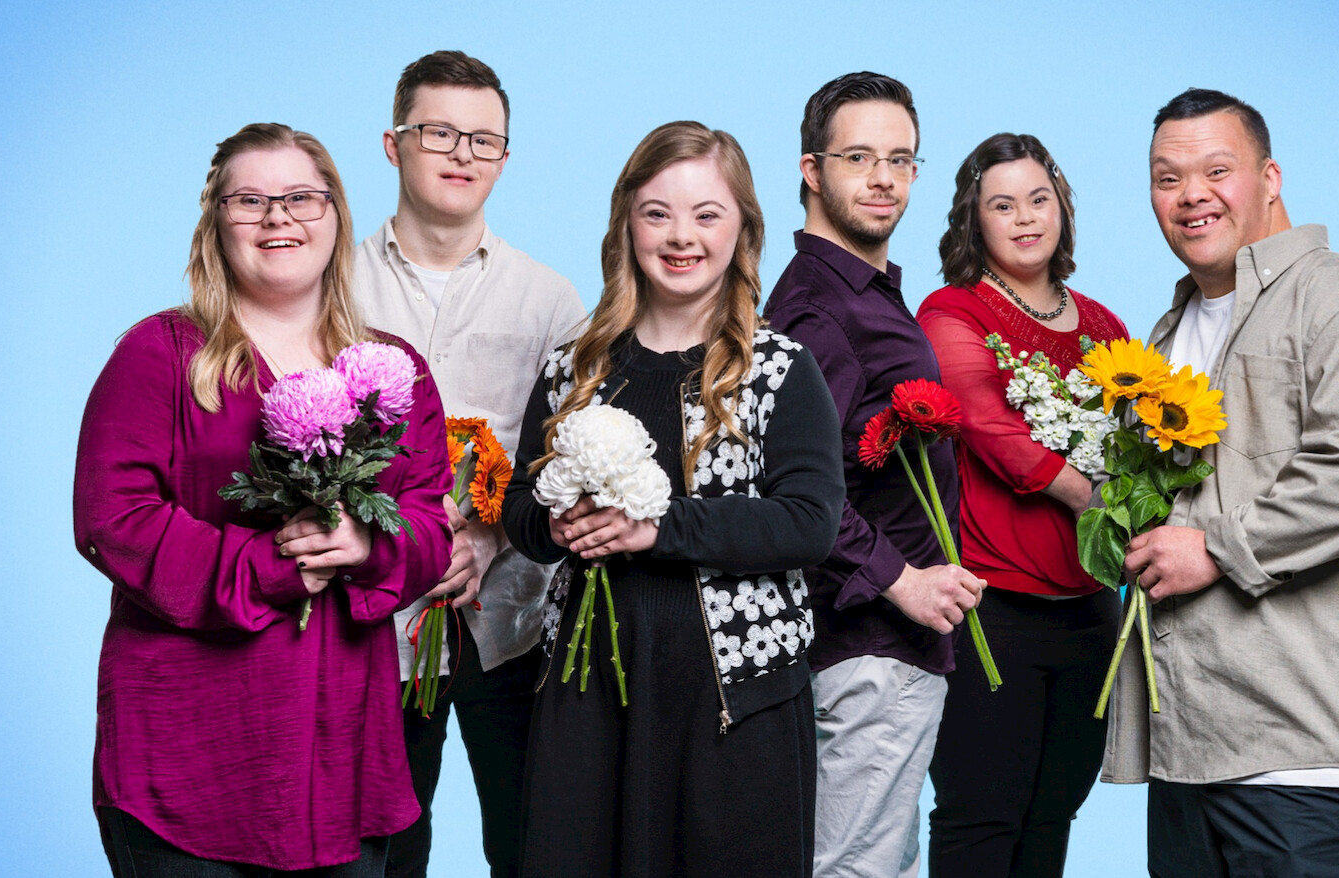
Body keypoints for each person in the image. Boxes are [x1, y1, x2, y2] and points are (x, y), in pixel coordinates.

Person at [72, 123, 453, 877]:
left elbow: (429, 522)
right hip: (189, 756)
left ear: (336, 216)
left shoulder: (392, 368)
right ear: (216, 223)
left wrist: (370, 544)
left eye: (302, 198)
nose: (278, 217)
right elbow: (113, 519)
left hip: (344, 754)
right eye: (249, 200)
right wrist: (271, 564)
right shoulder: (160, 354)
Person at [502, 121, 845, 876]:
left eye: (706, 214)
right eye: (657, 213)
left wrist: (657, 527)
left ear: (742, 228)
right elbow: (519, 504)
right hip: (588, 692)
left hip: (735, 706)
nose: (681, 236)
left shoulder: (779, 370)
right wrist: (558, 523)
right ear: (627, 224)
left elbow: (809, 523)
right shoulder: (575, 367)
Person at [1102, 88, 1339, 877]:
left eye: (1217, 171)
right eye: (1167, 178)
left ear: (1271, 178)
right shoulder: (1167, 335)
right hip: (1189, 757)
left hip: (1314, 761)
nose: (1191, 195)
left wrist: (1215, 549)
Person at [349, 50, 585, 878]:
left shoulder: (551, 300)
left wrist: (488, 539)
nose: (462, 154)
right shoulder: (332, 285)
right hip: (371, 627)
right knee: (382, 852)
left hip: (509, 622)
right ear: (393, 144)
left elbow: (567, 460)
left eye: (484, 140)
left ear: (505, 158)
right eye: (439, 132)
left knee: (531, 848)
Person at [761, 71, 983, 878]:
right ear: (811, 170)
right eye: (858, 157)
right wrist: (903, 581)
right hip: (867, 647)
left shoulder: (861, 294)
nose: (883, 178)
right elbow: (793, 486)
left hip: (884, 652)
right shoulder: (821, 309)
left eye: (900, 159)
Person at [915, 134, 1128, 877]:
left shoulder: (1104, 326)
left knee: (1052, 817)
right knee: (980, 817)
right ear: (974, 221)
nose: (1026, 218)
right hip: (992, 611)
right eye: (1003, 205)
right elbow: (987, 424)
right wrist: (1094, 497)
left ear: (1061, 207)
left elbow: (1136, 442)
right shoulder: (953, 311)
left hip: (1091, 612)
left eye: (1039, 199)